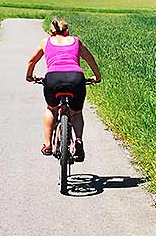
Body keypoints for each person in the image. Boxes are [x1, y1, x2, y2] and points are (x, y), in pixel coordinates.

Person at [25, 17, 102, 161]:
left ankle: (48, 145)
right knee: (76, 113)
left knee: (51, 109)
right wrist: (97, 77)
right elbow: (90, 59)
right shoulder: (76, 41)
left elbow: (31, 61)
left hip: (53, 79)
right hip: (76, 78)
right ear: (67, 31)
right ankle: (78, 140)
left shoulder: (46, 42)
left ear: (51, 32)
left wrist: (29, 76)